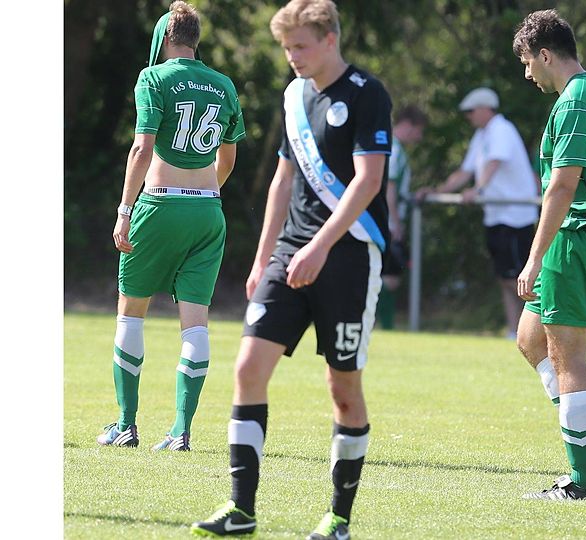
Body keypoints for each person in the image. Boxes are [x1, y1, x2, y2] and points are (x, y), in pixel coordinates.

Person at [191, 1, 391, 538]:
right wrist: (263, 258)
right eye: (286, 48)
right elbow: (283, 180)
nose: (292, 57)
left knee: (342, 388)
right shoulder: (293, 96)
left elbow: (368, 181)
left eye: (300, 46)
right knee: (247, 369)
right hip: (291, 252)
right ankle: (241, 511)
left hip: (348, 256)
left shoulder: (368, 95)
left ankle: (339, 518)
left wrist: (322, 247)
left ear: (330, 39)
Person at [98, 1, 245, 452]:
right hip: (208, 212)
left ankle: (126, 424)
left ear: (165, 38)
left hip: (158, 207)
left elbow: (142, 149)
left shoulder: (153, 78)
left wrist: (125, 209)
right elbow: (228, 156)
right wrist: (203, 192)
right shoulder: (223, 84)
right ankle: (180, 431)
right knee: (195, 324)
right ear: (196, 40)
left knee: (131, 311)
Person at [512, 8, 586, 501]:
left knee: (568, 357)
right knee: (529, 339)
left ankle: (583, 483)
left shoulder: (577, 99)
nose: (527, 74)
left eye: (527, 62)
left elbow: (563, 185)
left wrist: (536, 257)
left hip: (576, 238)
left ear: (544, 54)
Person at [418, 87, 540, 339]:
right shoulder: (482, 135)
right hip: (496, 215)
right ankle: (513, 330)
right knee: (505, 277)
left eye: (471, 111)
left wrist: (478, 190)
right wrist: (436, 190)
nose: (468, 116)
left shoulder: (501, 129)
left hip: (516, 216)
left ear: (486, 109)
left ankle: (537, 331)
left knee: (522, 279)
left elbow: (493, 164)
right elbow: (465, 171)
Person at [379, 105, 427, 330]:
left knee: (387, 275)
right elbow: (389, 187)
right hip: (387, 222)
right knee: (389, 277)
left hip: (384, 220)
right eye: (419, 131)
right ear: (408, 125)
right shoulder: (394, 149)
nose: (420, 137)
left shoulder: (387, 144)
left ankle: (381, 324)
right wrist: (395, 223)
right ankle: (384, 325)